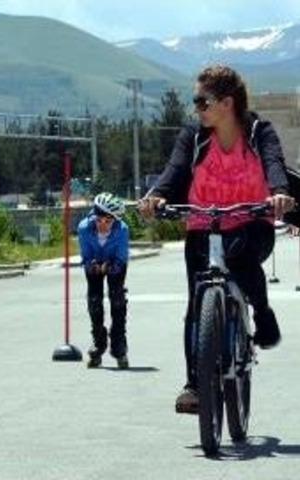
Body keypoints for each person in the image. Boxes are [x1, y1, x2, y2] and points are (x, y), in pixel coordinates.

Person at [138, 65, 296, 414]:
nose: (197, 108)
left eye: (201, 101)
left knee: (240, 257)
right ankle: (194, 384)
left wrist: (279, 192)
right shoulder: (194, 136)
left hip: (251, 223)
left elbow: (274, 163)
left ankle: (262, 312)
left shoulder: (258, 130)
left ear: (226, 103)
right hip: (202, 225)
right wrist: (156, 195)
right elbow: (175, 170)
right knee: (196, 303)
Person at [77, 193, 130, 369]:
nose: (103, 226)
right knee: (94, 301)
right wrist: (93, 265)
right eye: (99, 221)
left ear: (114, 220)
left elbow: (122, 259)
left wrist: (110, 266)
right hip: (94, 264)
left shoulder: (122, 230)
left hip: (115, 263)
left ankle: (119, 345)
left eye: (108, 222)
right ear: (94, 217)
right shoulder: (84, 228)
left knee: (117, 299)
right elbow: (85, 256)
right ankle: (98, 343)